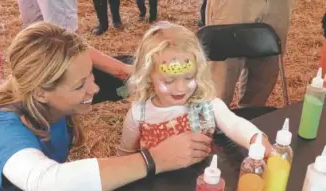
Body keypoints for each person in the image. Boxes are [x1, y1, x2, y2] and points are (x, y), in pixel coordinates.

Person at [0, 22, 212, 191]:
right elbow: (48, 184)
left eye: (91, 75)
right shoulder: (0, 127)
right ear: (41, 92)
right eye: (80, 85)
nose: (94, 88)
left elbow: (139, 80)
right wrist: (156, 158)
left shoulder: (57, 98)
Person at [117, 22, 272, 155]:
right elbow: (126, 155)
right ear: (148, 76)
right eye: (169, 81)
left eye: (189, 78)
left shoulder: (207, 104)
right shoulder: (139, 114)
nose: (180, 88)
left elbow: (234, 124)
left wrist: (255, 139)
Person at [205, 0, 292, 106]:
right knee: (220, 84)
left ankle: (248, 121)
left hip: (279, 0)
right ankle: (212, 122)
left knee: (262, 83)